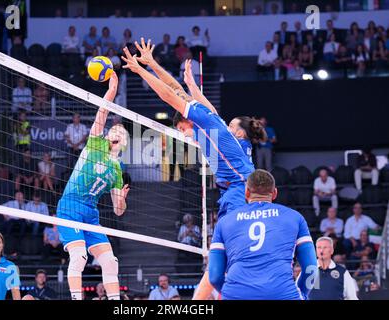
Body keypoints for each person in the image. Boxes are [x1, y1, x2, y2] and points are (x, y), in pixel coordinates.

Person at [122, 40, 259, 299]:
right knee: (221, 261)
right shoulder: (214, 122)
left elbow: (169, 95)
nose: (185, 137)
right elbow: (177, 89)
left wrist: (141, 71)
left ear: (187, 122)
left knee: (230, 259)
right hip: (238, 192)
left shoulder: (204, 121)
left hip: (240, 193)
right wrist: (153, 64)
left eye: (181, 131)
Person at [57, 72, 130, 300]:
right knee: (79, 256)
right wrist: (111, 92)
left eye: (119, 132)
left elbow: (118, 211)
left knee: (110, 261)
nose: (114, 132)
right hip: (70, 205)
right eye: (113, 130)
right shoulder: (95, 144)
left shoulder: (117, 170)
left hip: (91, 213)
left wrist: (122, 200)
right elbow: (102, 113)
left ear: (123, 143)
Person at [208, 169, 317, 299]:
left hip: (236, 294)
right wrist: (302, 293)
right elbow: (311, 268)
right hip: (282, 294)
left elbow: (214, 276)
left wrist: (230, 293)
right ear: (275, 193)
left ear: (247, 192)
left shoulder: (225, 222)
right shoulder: (295, 217)